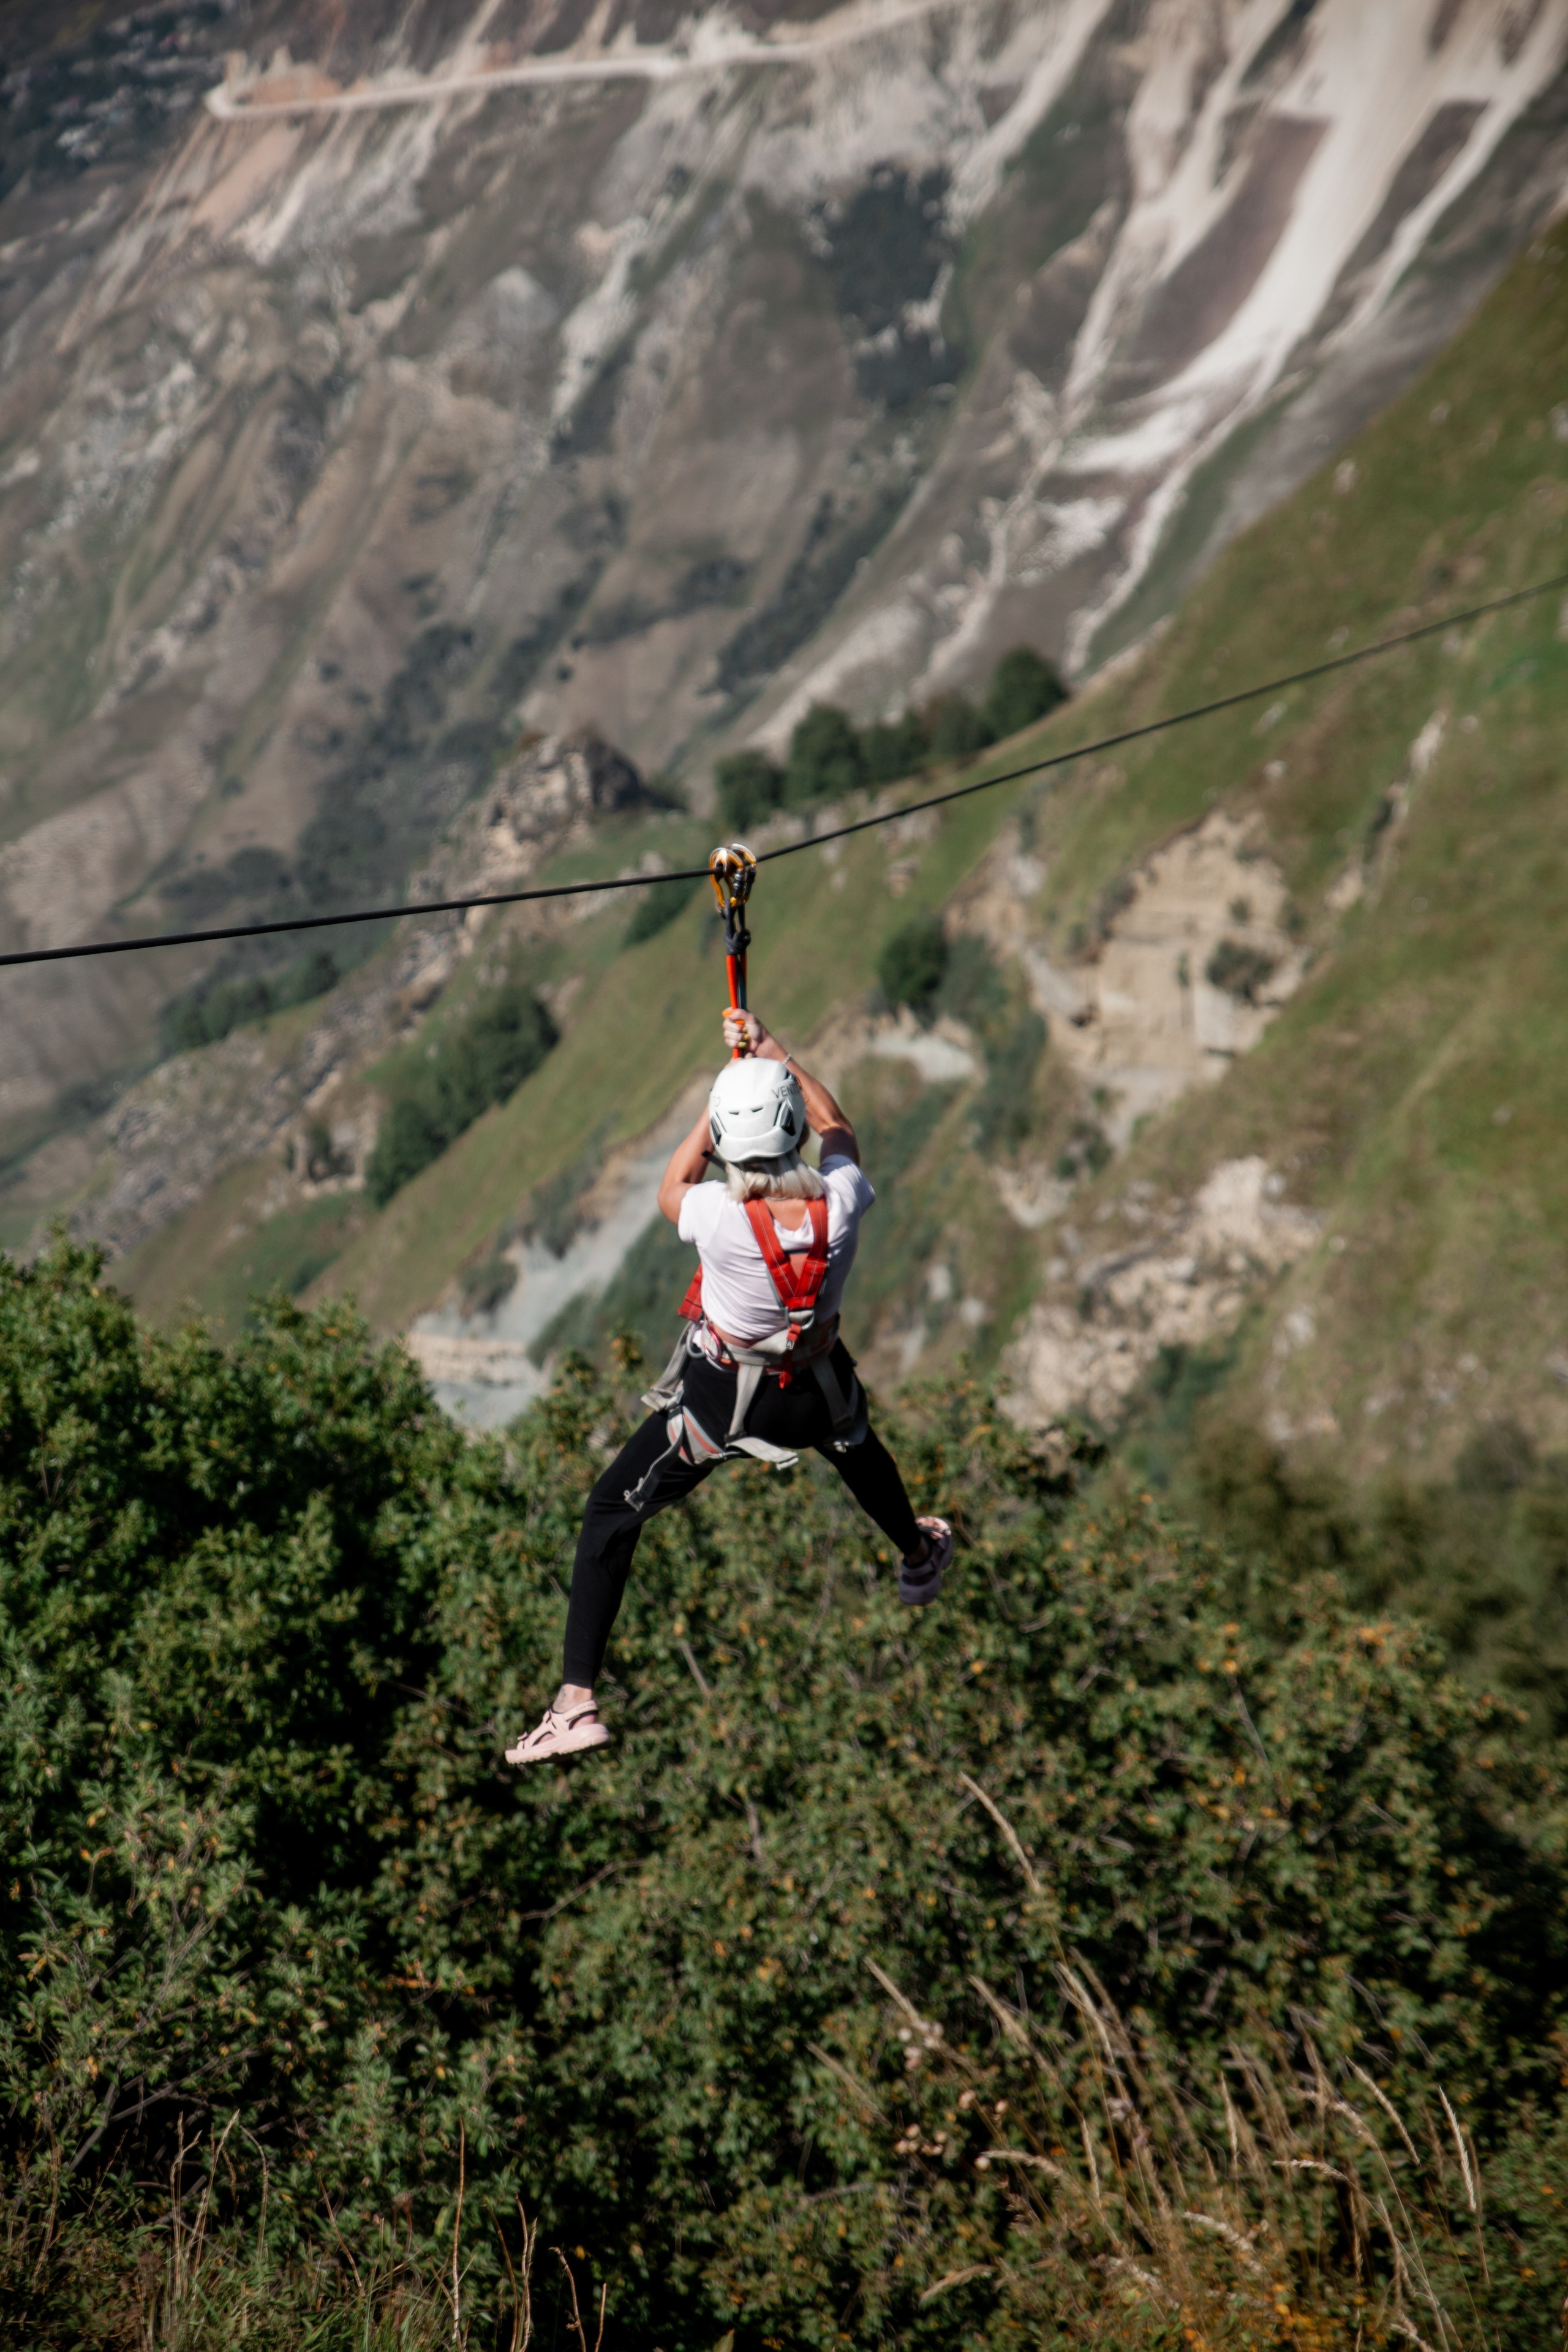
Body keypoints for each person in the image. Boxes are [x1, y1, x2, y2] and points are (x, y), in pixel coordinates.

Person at [506, 1005, 952, 1765]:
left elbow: (675, 1181)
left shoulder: (715, 1217)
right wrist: (771, 1056)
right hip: (816, 1393)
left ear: (726, 1138)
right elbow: (838, 1127)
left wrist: (721, 1106)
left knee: (612, 1511)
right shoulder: (842, 1203)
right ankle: (915, 1551)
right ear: (789, 1129)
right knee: (855, 1445)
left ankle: (576, 1701)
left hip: (722, 1400)